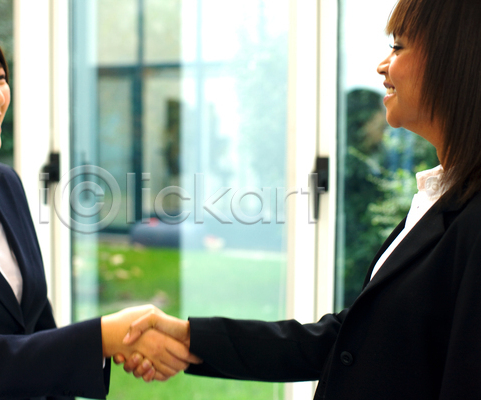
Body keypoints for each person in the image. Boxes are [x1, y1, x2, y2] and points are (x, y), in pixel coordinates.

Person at [120, 0, 481, 398]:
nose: (382, 66)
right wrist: (192, 338)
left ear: (455, 59)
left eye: (398, 47)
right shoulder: (440, 197)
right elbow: (350, 342)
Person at [0, 15, 197, 400]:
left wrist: (100, 346)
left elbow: (36, 325)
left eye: (0, 77)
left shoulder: (5, 185)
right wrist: (102, 337)